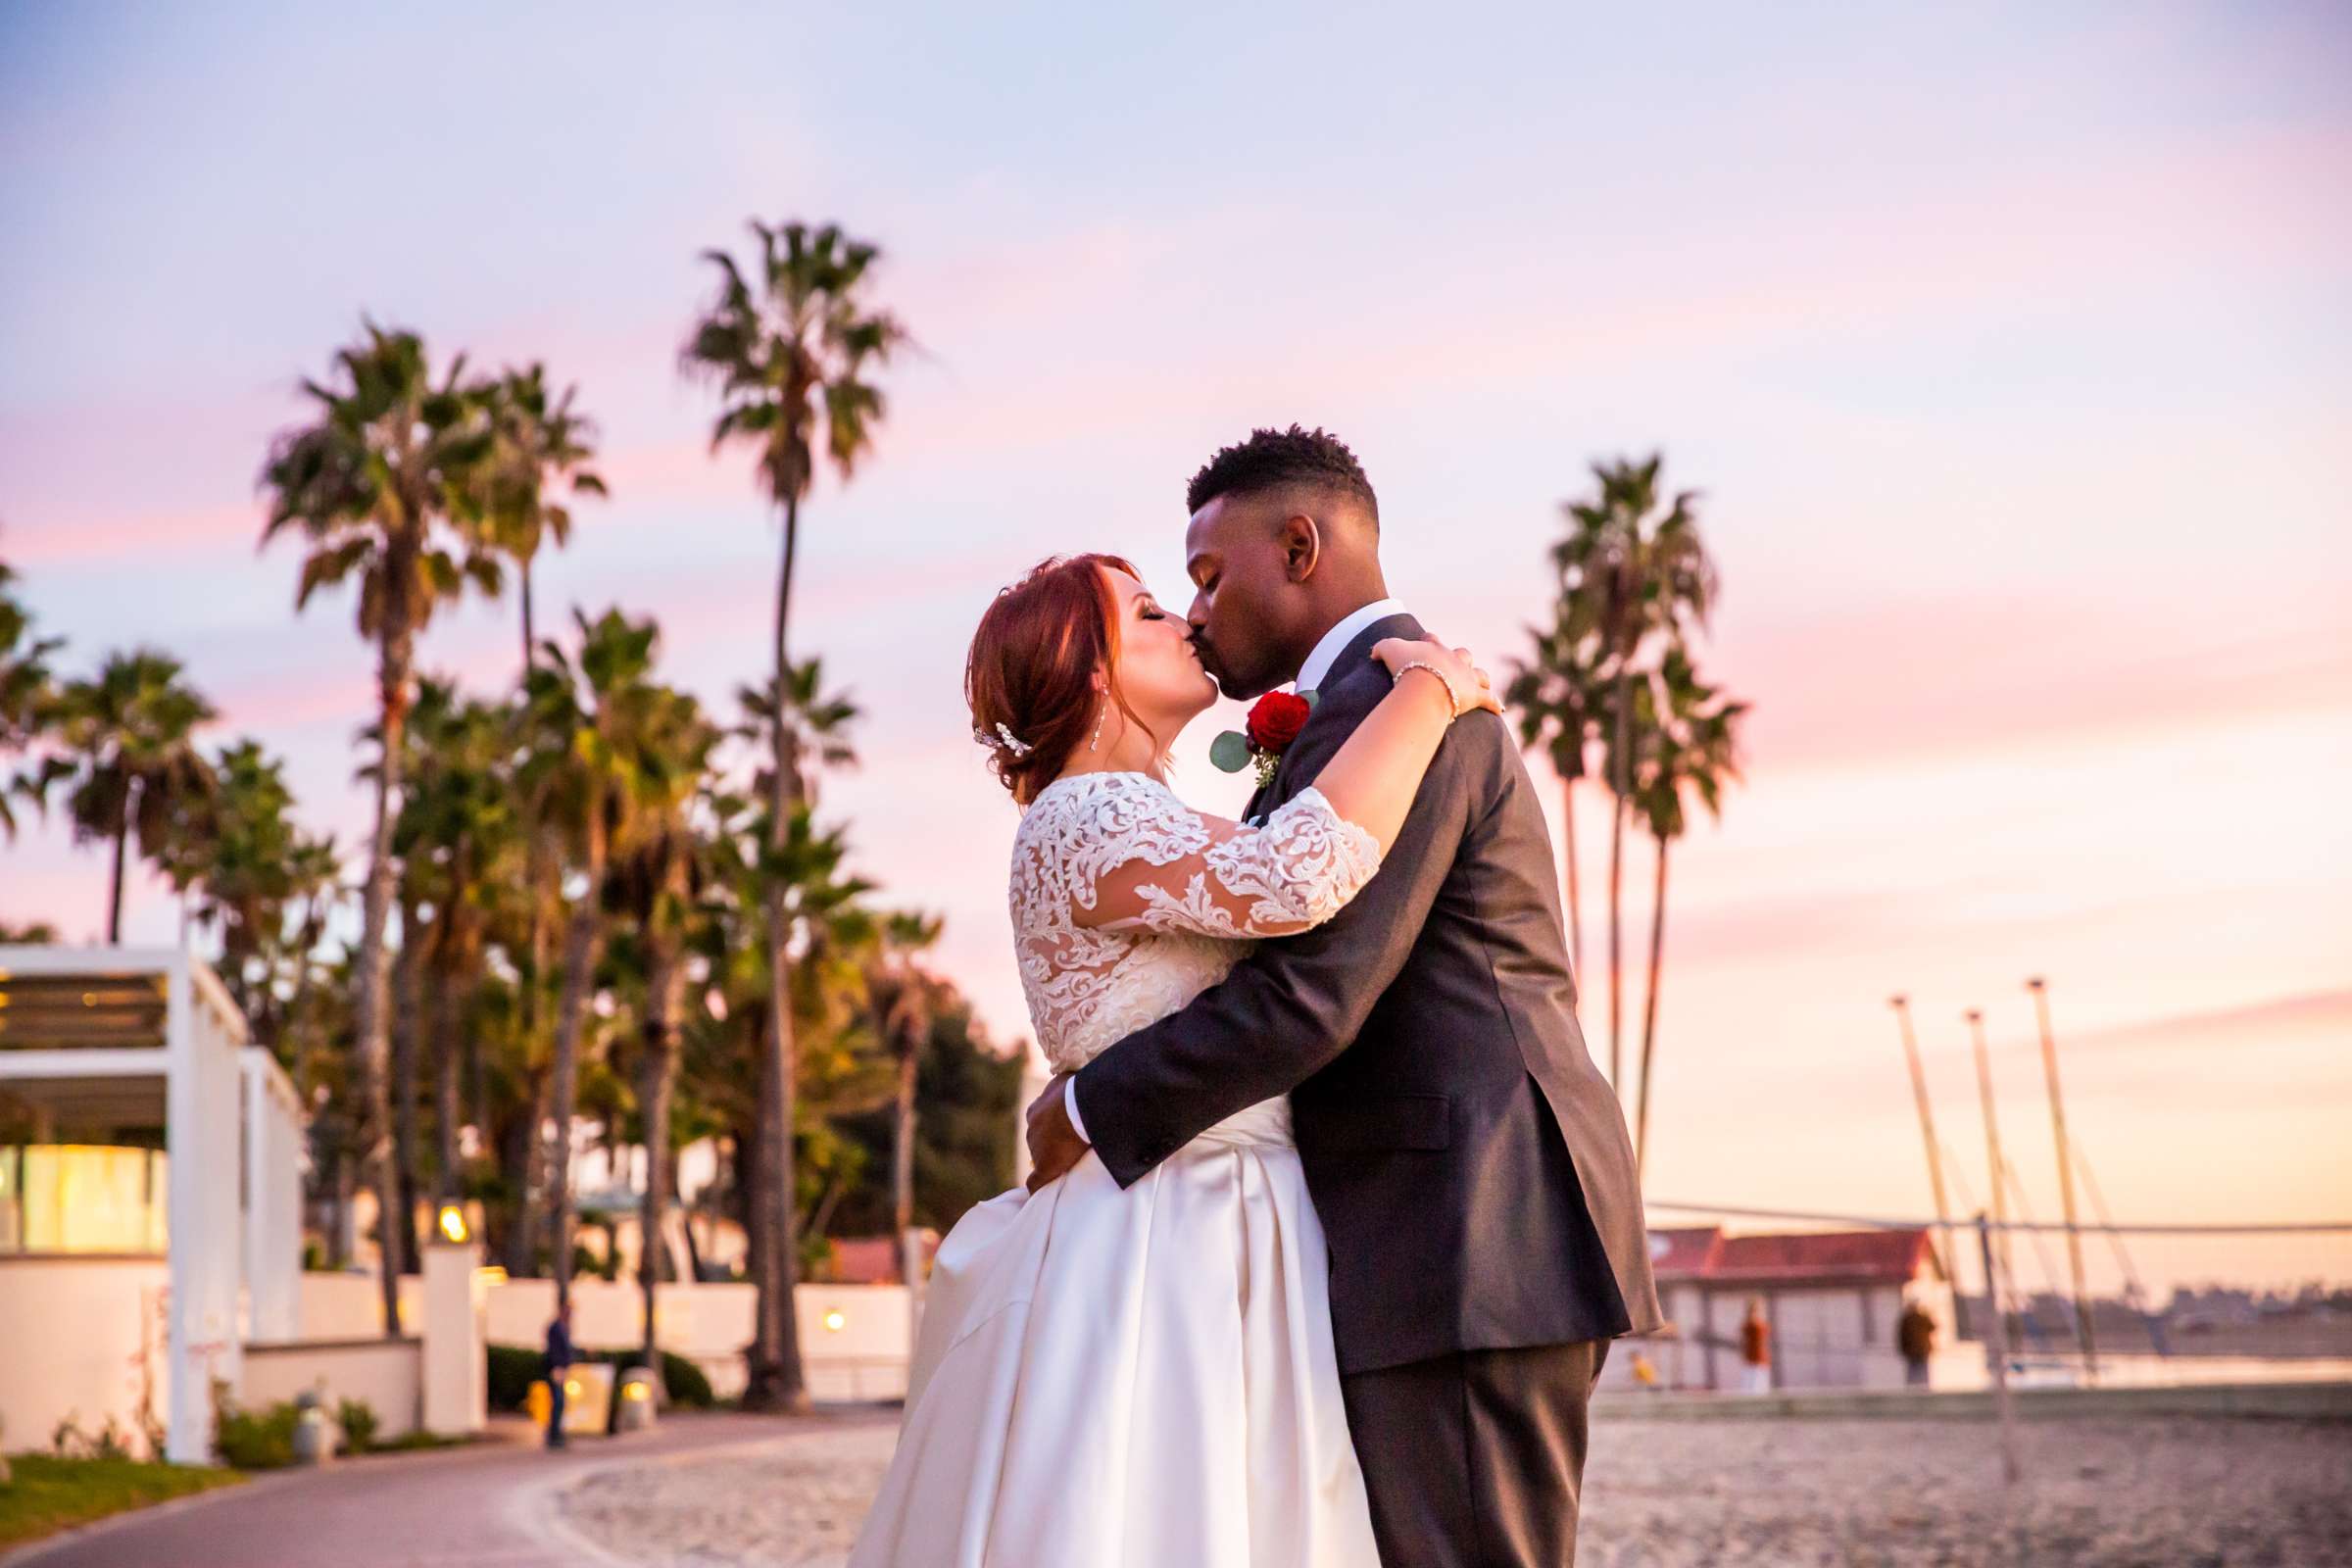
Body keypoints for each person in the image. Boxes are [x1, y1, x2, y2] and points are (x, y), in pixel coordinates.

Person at [967, 425, 1657, 1567]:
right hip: (1383, 1242)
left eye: (1204, 577)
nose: (1193, 612)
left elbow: (1314, 997)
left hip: (1468, 1234)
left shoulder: (1407, 703)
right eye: (1166, 598)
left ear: (1298, 546)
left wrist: (1092, 1106)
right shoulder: (1377, 709)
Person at [543, 1298, 574, 1449]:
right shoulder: (555, 1327)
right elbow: (554, 1349)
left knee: (560, 1403)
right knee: (557, 1402)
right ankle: (553, 1435)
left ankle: (556, 1433)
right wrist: (557, 1367)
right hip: (557, 1370)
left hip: (562, 1369)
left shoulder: (564, 1327)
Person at [1899, 1292, 1938, 1387]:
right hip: (1920, 1349)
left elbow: (1902, 1336)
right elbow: (1933, 1327)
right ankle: (1921, 1387)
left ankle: (1915, 1387)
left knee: (1915, 1370)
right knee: (1920, 1370)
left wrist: (1903, 1349)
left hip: (1915, 1350)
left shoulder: (1907, 1319)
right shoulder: (1918, 1318)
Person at [1740, 1297, 1772, 1395]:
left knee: (1760, 1388)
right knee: (1750, 1388)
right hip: (1751, 1360)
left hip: (1760, 1360)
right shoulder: (1750, 1325)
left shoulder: (1759, 1324)